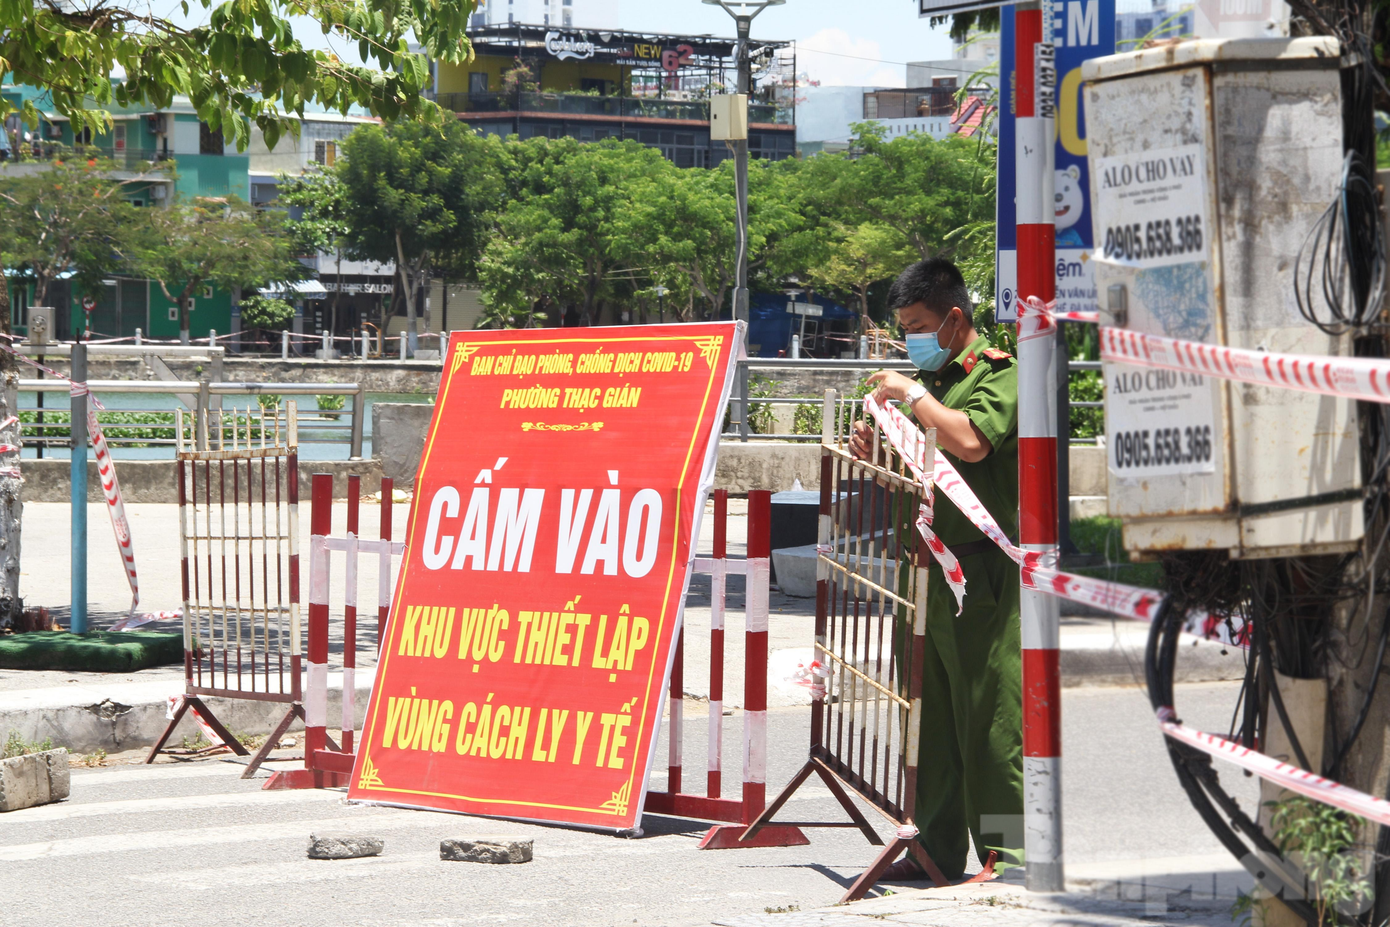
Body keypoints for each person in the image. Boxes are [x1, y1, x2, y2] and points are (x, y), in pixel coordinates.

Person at [849, 257, 1023, 882]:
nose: (911, 340)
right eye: (904, 329)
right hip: (921, 575)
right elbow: (912, 474)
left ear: (954, 318)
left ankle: (1009, 853)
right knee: (928, 724)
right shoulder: (931, 383)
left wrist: (913, 395)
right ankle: (934, 851)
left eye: (919, 327)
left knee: (992, 722)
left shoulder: (997, 374)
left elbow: (971, 442)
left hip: (978, 576)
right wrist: (875, 449)